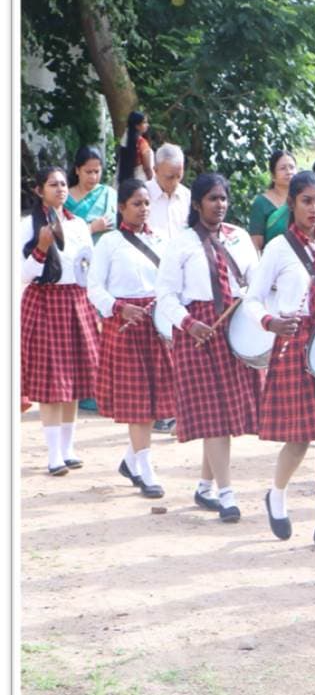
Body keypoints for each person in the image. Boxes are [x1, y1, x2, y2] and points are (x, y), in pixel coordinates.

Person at [246, 171, 315, 549]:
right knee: (298, 439)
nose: (313, 208)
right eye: (306, 200)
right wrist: (270, 321)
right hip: (293, 341)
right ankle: (277, 494)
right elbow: (252, 298)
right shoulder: (278, 248)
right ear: (292, 203)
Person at [155, 172, 261, 523]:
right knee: (215, 417)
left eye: (224, 198)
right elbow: (166, 295)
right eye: (213, 198)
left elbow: (256, 283)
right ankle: (227, 494)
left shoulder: (239, 237)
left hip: (233, 328)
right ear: (197, 203)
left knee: (223, 415)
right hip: (197, 333)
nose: (220, 205)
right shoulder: (182, 243)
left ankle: (204, 486)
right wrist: (189, 323)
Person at [88, 179, 174, 498]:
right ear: (121, 207)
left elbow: (170, 281)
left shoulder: (163, 240)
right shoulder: (109, 243)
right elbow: (94, 287)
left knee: (152, 400)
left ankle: (130, 459)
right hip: (124, 325)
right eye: (136, 204)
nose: (143, 209)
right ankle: (147, 471)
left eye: (146, 203)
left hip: (155, 324)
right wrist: (119, 308)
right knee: (138, 402)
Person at [21, 166, 99, 476]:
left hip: (76, 302)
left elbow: (87, 267)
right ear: (40, 190)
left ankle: (68, 450)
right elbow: (23, 274)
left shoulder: (78, 224)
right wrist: (41, 248)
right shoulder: (29, 225)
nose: (60, 189)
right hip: (45, 301)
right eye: (53, 185)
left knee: (76, 379)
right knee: (53, 381)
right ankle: (53, 455)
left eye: (64, 184)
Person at [248, 149, 297, 252]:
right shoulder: (261, 203)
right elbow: (256, 244)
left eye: (292, 167)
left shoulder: (303, 199)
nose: (289, 172)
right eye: (283, 168)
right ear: (273, 175)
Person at [66, 146, 116, 240]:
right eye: (88, 172)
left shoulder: (109, 194)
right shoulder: (64, 198)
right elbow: (63, 235)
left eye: (97, 172)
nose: (93, 177)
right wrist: (92, 228)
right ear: (77, 170)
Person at [145, 144, 190, 242]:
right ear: (155, 170)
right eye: (169, 177)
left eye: (179, 176)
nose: (175, 183)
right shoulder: (142, 196)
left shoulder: (187, 196)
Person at [116, 111, 154, 184]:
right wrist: (152, 181)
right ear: (137, 126)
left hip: (127, 182)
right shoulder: (142, 143)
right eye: (144, 122)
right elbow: (147, 168)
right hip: (142, 181)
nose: (147, 125)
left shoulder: (126, 142)